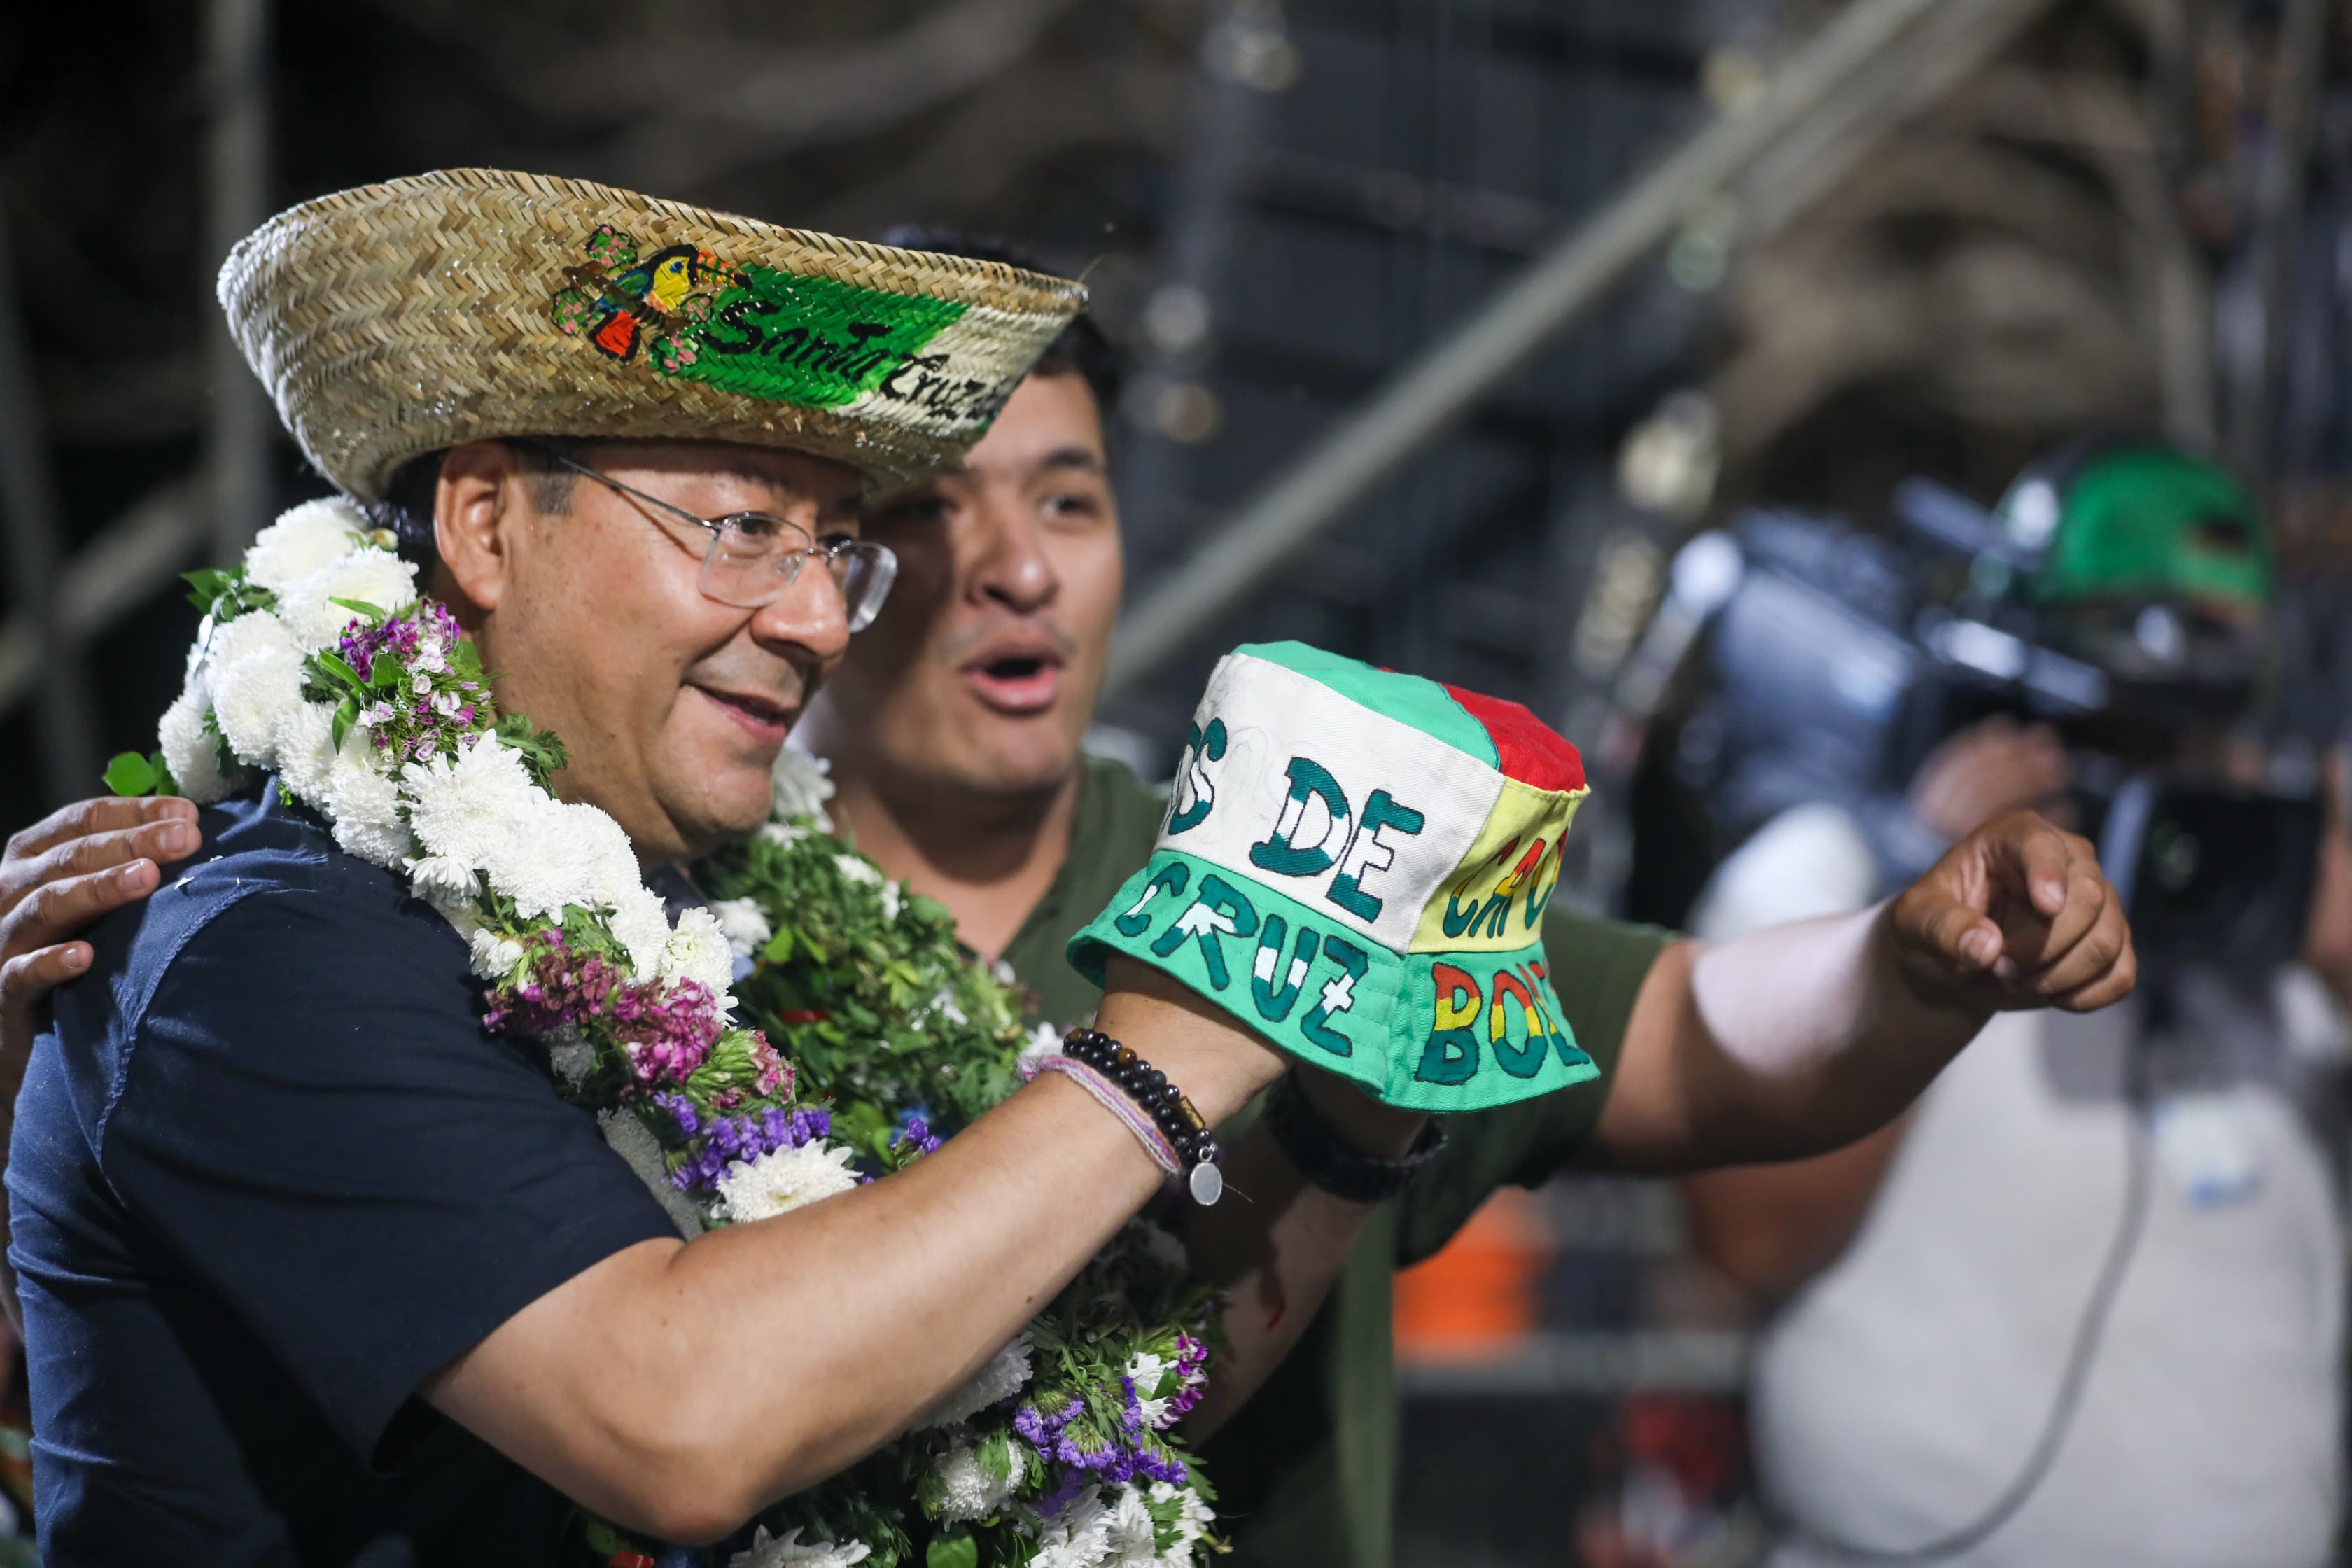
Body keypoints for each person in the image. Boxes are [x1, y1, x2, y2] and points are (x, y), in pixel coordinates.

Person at [0, 206, 2136, 1567]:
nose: (816, 615)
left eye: (829, 548)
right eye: (740, 529)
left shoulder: (695, 929)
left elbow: (1047, 1423)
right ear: (483, 523)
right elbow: (684, 1420)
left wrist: (1344, 1124)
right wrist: (1170, 1048)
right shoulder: (270, 942)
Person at [1677, 444, 2351, 1567]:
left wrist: (2333, 944)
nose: (2161, 782)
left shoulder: (2273, 893)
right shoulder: (1826, 879)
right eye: (2114, 740)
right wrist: (1920, 943)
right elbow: (1748, 1238)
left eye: (2195, 735)